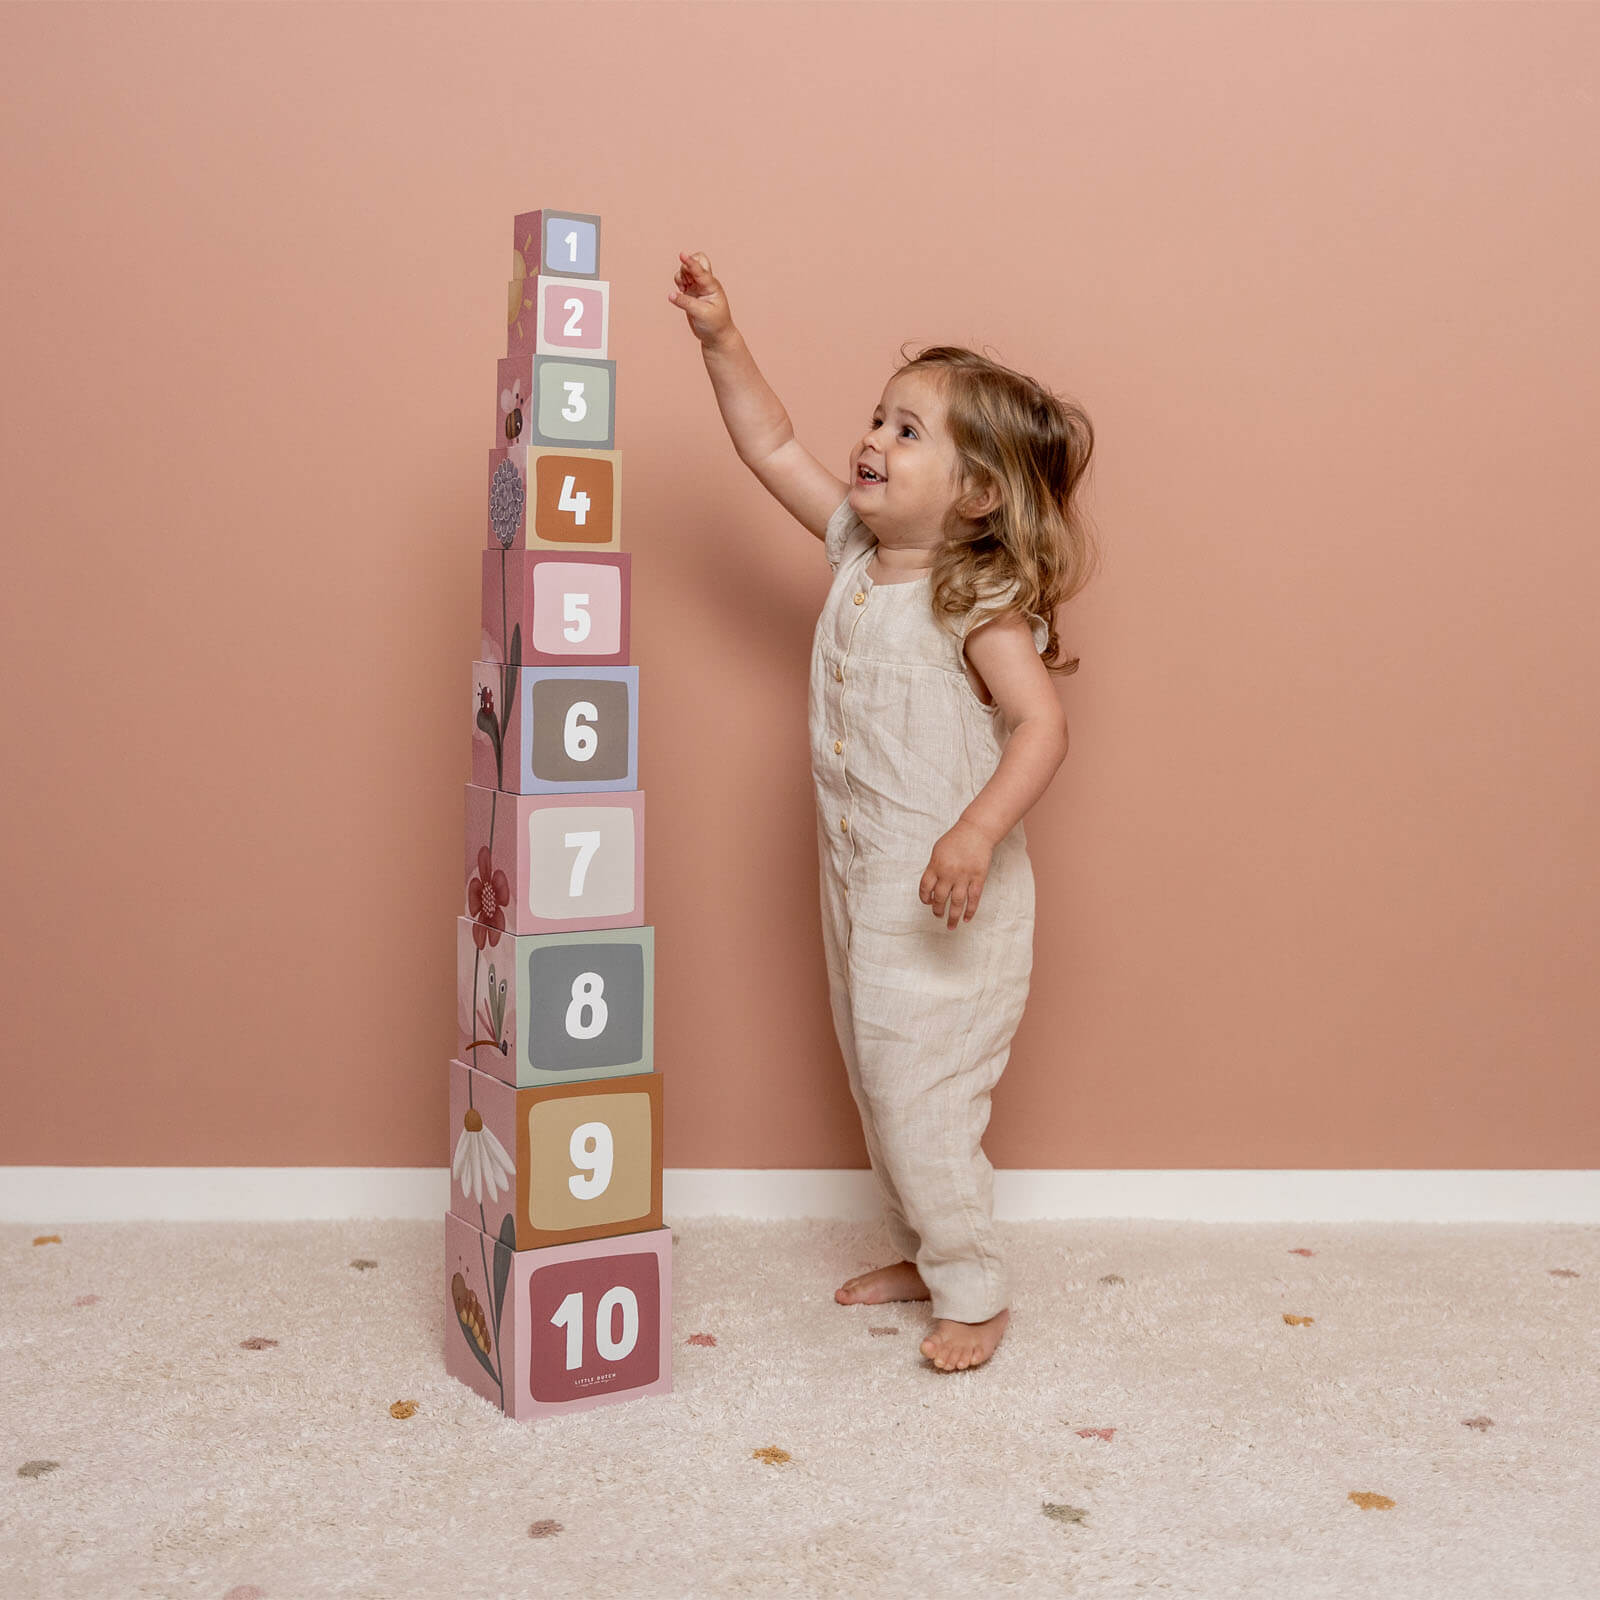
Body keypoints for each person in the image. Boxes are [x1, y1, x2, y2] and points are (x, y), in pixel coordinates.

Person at [670, 250, 1098, 1372]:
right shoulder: (858, 553)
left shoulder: (976, 603)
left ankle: (974, 1287)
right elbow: (768, 444)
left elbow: (1041, 727)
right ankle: (926, 1244)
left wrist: (974, 831)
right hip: (863, 883)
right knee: (878, 1077)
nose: (873, 440)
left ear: (977, 493)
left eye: (910, 432)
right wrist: (722, 340)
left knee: (923, 1088)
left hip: (950, 898)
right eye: (878, 418)